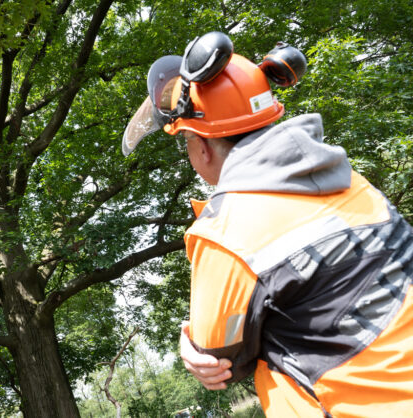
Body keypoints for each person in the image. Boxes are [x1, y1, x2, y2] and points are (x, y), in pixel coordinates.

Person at [122, 31, 413, 417]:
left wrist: (188, 342)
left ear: (201, 144)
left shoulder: (226, 234)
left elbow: (220, 361)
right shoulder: (351, 183)